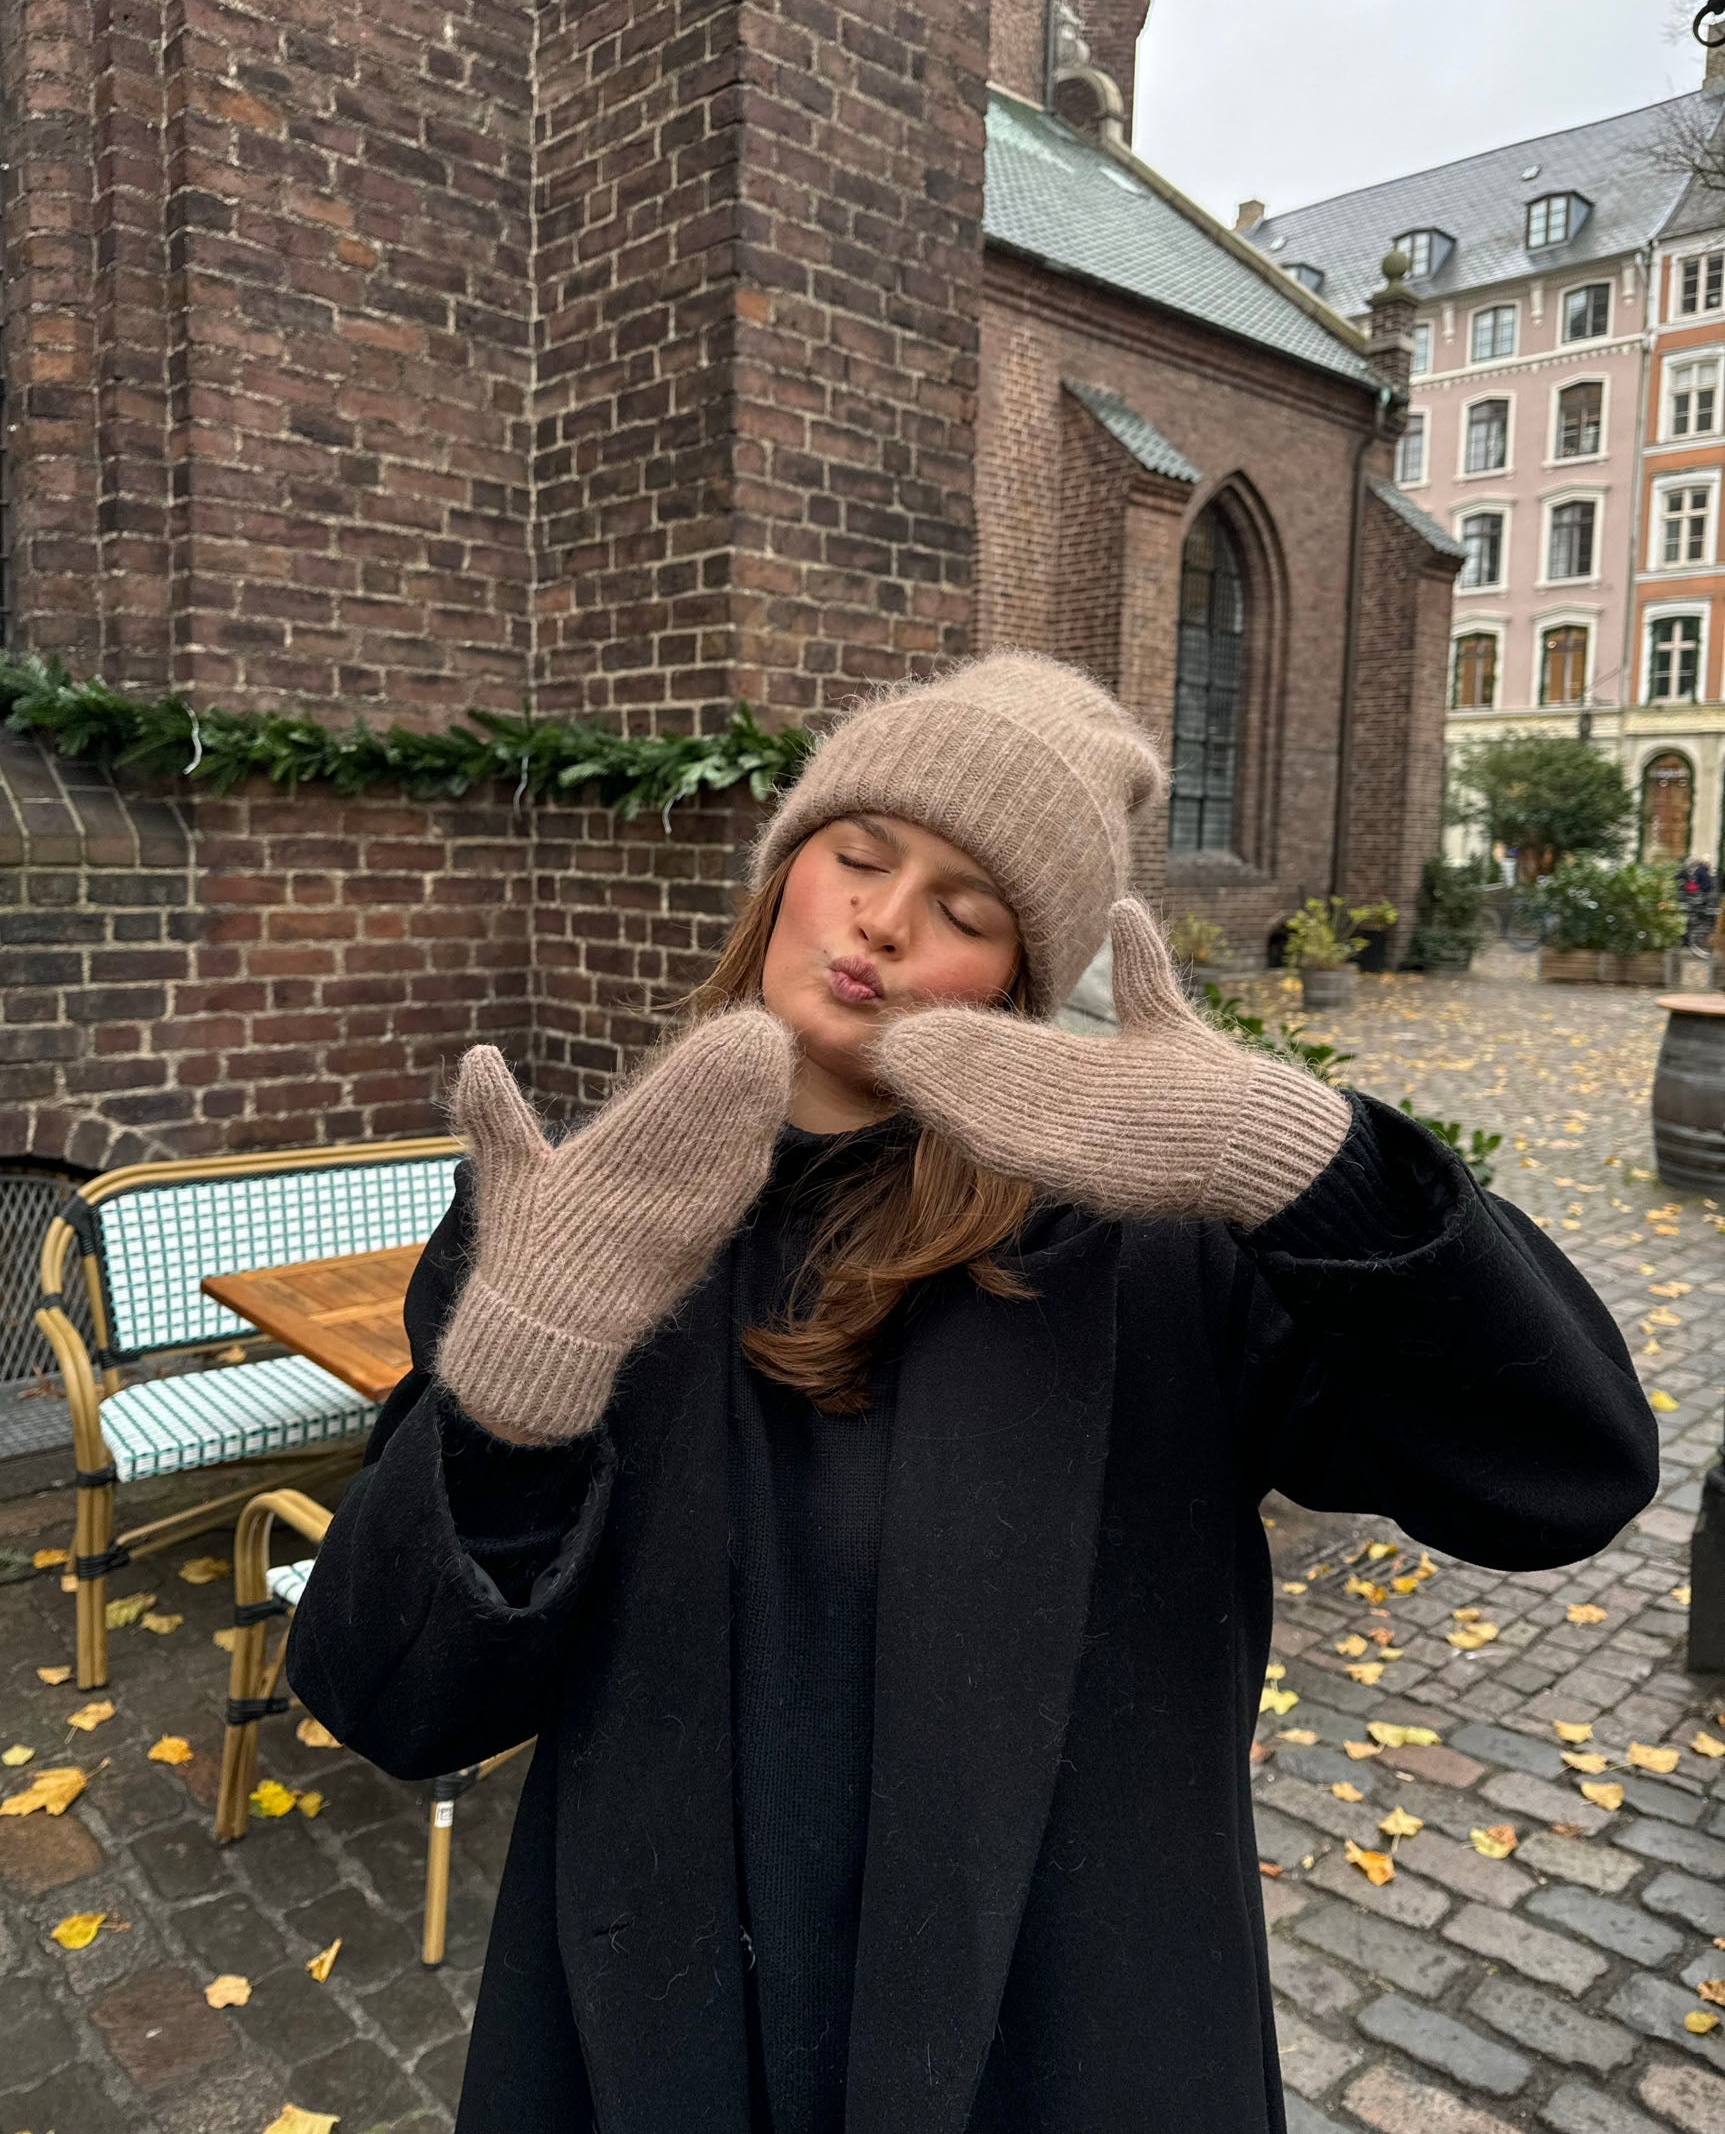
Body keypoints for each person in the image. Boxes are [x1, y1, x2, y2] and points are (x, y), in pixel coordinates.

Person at [287, 649, 1659, 2134]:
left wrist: (1301, 1163)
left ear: (1018, 980)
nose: (882, 920)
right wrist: (515, 1403)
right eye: (858, 854)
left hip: (1061, 2045)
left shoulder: (1149, 1254)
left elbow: (1561, 1472)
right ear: (784, 867)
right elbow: (392, 1698)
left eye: (966, 909)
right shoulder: (571, 1220)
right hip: (652, 2039)